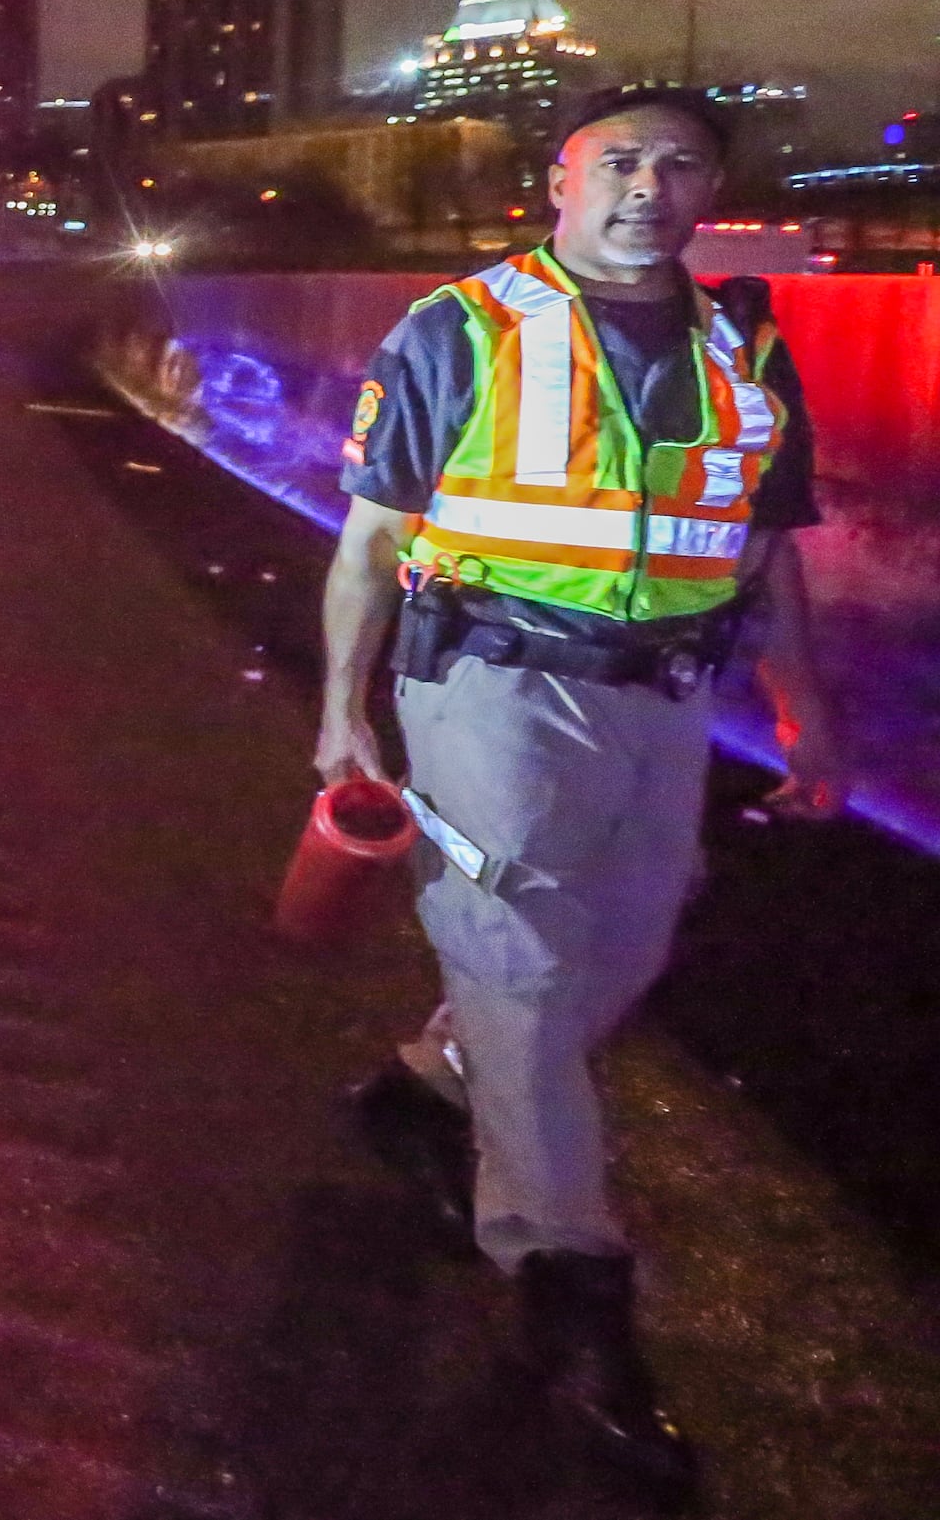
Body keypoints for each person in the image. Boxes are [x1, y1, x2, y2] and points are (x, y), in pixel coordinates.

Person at [312, 85, 853, 1505]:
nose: (646, 187)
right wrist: (340, 710)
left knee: (627, 948)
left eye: (681, 165)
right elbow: (370, 541)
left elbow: (765, 549)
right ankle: (573, 1286)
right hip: (489, 685)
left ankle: (424, 1088)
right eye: (617, 160)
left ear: (711, 191)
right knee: (524, 970)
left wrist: (805, 711)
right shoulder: (461, 329)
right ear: (557, 182)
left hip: (664, 699)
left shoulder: (745, 345)